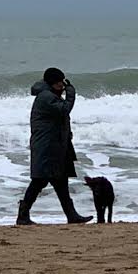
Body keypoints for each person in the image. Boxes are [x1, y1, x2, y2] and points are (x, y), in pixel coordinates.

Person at [16, 67, 93, 225]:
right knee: (40, 181)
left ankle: (71, 215)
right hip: (47, 147)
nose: (62, 85)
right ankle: (23, 215)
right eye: (59, 82)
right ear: (52, 83)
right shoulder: (46, 97)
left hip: (54, 146)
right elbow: (64, 109)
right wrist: (71, 93)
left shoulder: (51, 95)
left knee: (60, 180)